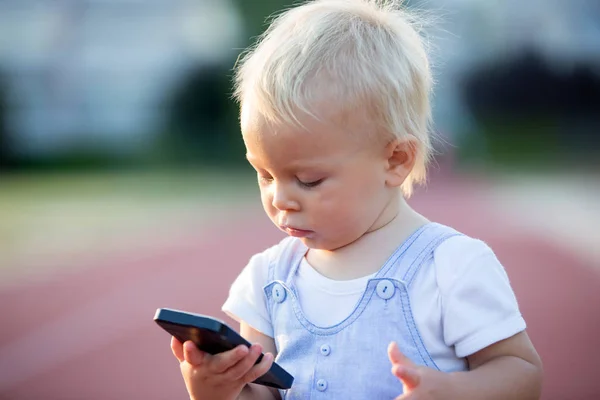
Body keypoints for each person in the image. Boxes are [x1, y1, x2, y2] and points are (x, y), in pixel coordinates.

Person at [169, 0, 543, 399]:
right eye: (264, 174)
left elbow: (522, 374)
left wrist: (457, 392)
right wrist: (218, 390)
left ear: (396, 160)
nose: (280, 198)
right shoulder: (268, 280)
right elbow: (265, 395)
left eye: (309, 180)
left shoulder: (449, 268)